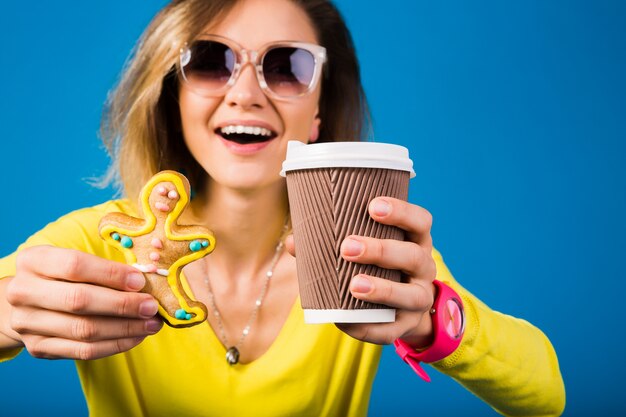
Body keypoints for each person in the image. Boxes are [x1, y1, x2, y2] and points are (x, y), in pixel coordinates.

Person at [0, 0, 565, 416]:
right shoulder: (102, 242)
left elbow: (547, 394)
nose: (246, 93)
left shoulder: (366, 258)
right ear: (173, 97)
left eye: (287, 65)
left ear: (319, 114)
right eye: (210, 61)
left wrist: (432, 323)